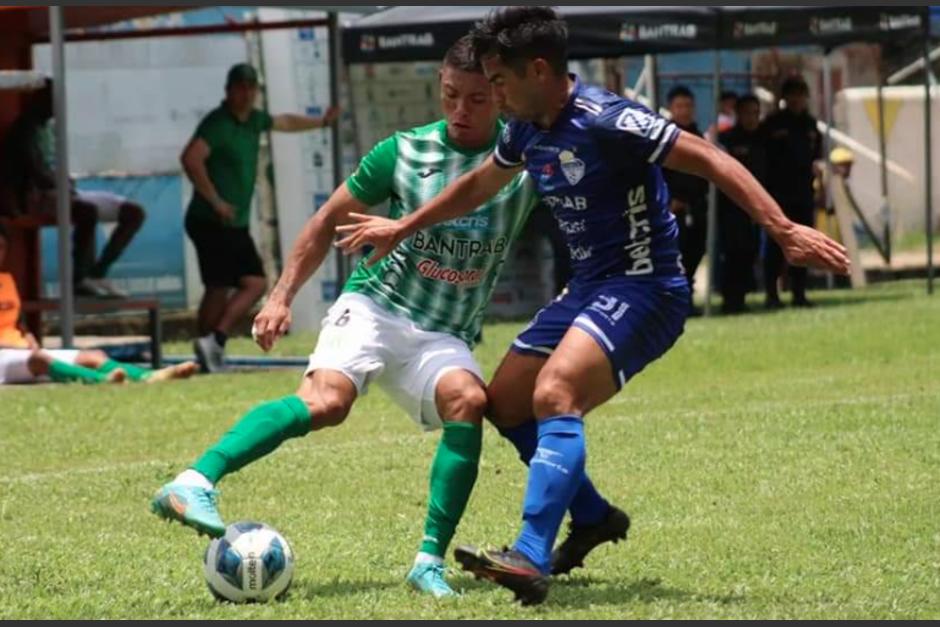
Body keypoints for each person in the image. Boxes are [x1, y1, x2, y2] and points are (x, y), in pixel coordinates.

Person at [336, 7, 849, 605]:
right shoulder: (525, 125)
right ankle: (596, 517)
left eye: (499, 83)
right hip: (588, 287)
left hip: (646, 287)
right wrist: (405, 225)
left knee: (556, 393)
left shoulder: (610, 119)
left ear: (537, 70)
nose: (492, 95)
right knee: (505, 404)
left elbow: (710, 157)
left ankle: (530, 554)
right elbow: (479, 184)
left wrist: (782, 228)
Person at [150, 38, 540, 599]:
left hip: (442, 332)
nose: (460, 110)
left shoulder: (525, 158)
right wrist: (281, 295)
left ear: (500, 95)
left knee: (469, 402)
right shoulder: (401, 153)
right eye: (451, 95)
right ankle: (192, 481)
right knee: (327, 404)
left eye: (477, 99)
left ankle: (427, 562)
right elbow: (325, 222)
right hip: (375, 306)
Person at [181, 63, 340, 373]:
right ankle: (211, 343)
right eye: (241, 87)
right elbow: (191, 159)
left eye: (252, 87)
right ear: (228, 91)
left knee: (229, 285)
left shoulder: (254, 120)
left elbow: (284, 122)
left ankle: (209, 346)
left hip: (233, 222)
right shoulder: (217, 124)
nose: (247, 93)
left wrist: (321, 122)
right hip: (211, 219)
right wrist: (215, 201)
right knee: (243, 283)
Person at [0, 222, 196, 384]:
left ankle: (148, 376)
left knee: (93, 356)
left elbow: (18, 322)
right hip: (7, 356)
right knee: (40, 359)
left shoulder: (7, 280)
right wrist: (15, 346)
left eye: (1, 247)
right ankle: (102, 381)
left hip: (22, 351)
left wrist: (29, 338)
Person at [0, 79, 144, 298]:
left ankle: (99, 273)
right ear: (37, 99)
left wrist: (67, 183)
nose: (58, 106)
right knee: (86, 211)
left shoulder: (48, 128)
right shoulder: (25, 129)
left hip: (66, 190)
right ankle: (79, 279)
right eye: (52, 100)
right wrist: (61, 185)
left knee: (134, 212)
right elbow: (36, 171)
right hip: (37, 195)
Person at [760, 76, 822, 309]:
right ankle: (771, 294)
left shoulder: (810, 125)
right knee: (775, 246)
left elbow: (815, 157)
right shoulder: (773, 124)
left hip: (803, 193)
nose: (796, 100)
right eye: (792, 95)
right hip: (777, 194)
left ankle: (799, 293)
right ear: (784, 98)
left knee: (804, 244)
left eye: (800, 95)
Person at [662, 85, 709, 314]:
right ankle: (677, 304)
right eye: (679, 106)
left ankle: (688, 298)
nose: (684, 111)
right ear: (670, 109)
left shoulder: (699, 137)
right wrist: (669, 201)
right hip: (672, 211)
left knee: (696, 252)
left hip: (696, 208)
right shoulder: (662, 139)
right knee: (675, 257)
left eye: (688, 106)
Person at [717, 94, 766, 314]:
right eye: (747, 112)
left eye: (756, 113)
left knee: (750, 251)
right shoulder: (726, 140)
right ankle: (731, 299)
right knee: (733, 251)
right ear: (738, 114)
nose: (752, 118)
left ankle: (743, 296)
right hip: (732, 205)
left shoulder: (765, 139)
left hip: (760, 205)